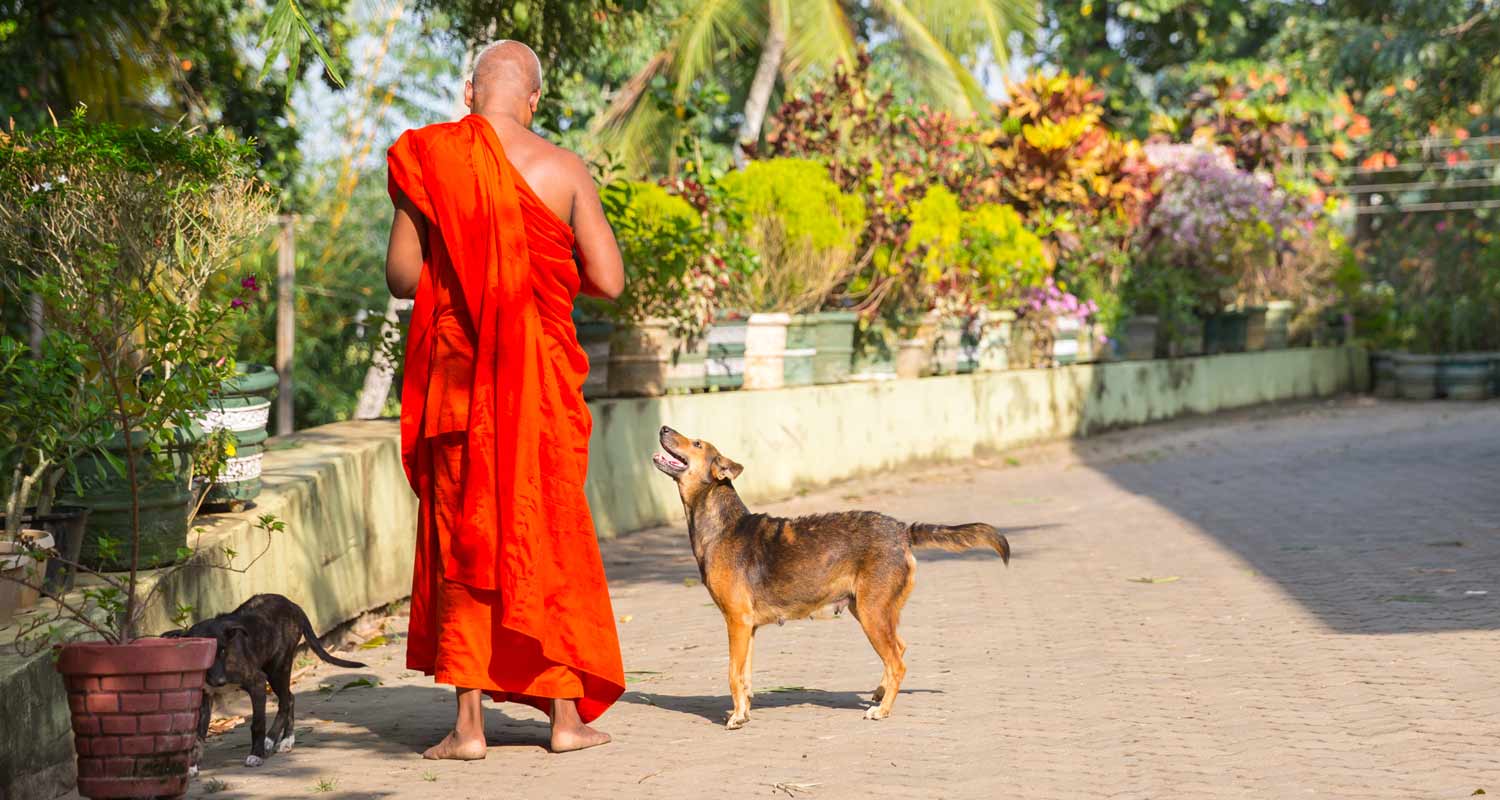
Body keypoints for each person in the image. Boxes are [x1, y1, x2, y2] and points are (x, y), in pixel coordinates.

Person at [383, 39, 627, 759]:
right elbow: (608, 280)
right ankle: (563, 720)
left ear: (468, 93)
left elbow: (402, 277)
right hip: (540, 389)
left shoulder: (430, 160)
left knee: (468, 540)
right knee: (542, 536)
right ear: (534, 100)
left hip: (461, 390)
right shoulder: (565, 169)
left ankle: (467, 730)